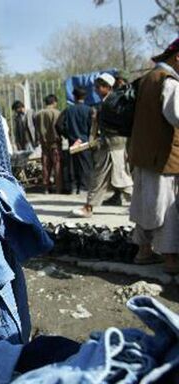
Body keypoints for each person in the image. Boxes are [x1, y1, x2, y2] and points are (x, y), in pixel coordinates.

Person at [129, 38, 179, 274]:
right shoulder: (169, 82)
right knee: (166, 207)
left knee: (144, 204)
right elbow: (176, 116)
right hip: (163, 157)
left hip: (142, 153)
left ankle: (144, 251)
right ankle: (170, 260)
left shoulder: (148, 78)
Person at [71, 73, 133, 217]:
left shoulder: (113, 102)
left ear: (108, 87)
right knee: (105, 178)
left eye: (99, 87)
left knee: (119, 179)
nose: (97, 90)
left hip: (113, 146)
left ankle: (138, 206)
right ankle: (89, 207)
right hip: (109, 146)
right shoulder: (106, 103)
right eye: (96, 87)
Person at [57, 87, 94, 193]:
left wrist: (67, 135)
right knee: (85, 166)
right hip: (85, 142)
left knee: (72, 166)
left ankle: (73, 187)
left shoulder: (68, 110)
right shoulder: (88, 110)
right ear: (85, 97)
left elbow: (58, 125)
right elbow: (92, 126)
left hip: (72, 142)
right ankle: (83, 188)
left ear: (74, 97)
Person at [34, 94, 62, 194]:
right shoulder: (57, 113)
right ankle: (58, 188)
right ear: (54, 102)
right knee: (57, 165)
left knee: (45, 166)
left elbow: (36, 130)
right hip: (55, 143)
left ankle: (46, 188)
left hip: (44, 144)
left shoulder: (38, 114)